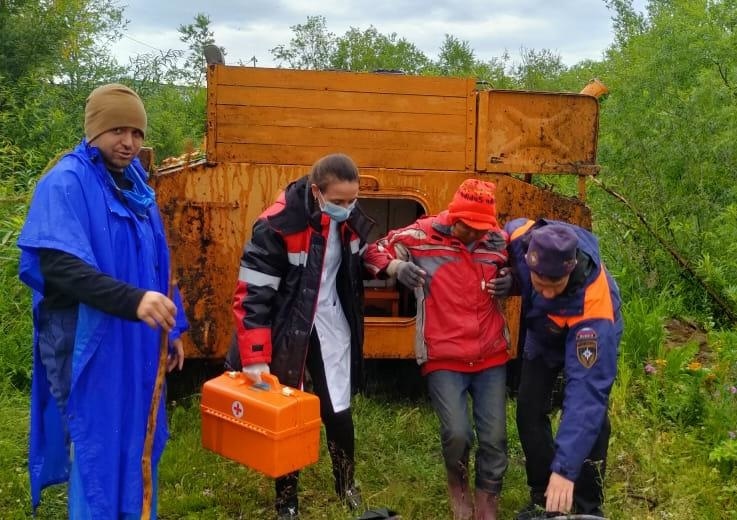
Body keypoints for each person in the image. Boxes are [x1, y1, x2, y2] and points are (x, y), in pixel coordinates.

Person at [17, 83, 188, 518]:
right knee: (96, 443)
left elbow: (159, 265)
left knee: (136, 440)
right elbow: (60, 267)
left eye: (135, 131)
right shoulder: (67, 183)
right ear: (93, 130)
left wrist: (174, 328)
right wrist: (134, 301)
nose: (128, 142)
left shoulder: (138, 189)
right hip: (87, 342)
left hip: (136, 343)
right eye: (117, 130)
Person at [226, 153, 380, 520]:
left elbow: (360, 261)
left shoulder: (349, 218)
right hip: (287, 329)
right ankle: (287, 501)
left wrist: (388, 262)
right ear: (317, 192)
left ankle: (346, 486)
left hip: (330, 322)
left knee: (338, 408)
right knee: (288, 414)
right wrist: (256, 355)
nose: (347, 207)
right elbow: (252, 295)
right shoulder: (278, 225)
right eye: (339, 201)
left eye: (352, 200)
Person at [365, 179, 512, 520]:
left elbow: (524, 265)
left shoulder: (496, 240)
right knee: (458, 432)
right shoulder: (421, 236)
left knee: (494, 437)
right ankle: (458, 487)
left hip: (490, 353)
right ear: (454, 217)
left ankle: (487, 501)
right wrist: (396, 267)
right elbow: (374, 250)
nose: (478, 235)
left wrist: (513, 281)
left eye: (483, 228)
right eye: (470, 228)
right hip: (443, 355)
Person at [504, 219, 622, 518]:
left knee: (592, 420)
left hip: (583, 325)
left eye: (554, 286)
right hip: (544, 333)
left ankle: (587, 506)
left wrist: (566, 468)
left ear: (569, 271)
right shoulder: (522, 239)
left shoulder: (596, 310)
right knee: (529, 408)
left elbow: (585, 395)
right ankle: (545, 496)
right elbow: (504, 232)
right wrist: (512, 278)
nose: (546, 293)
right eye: (538, 284)